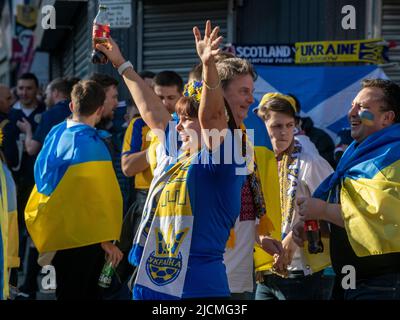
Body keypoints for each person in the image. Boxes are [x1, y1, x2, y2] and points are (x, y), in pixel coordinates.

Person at [95, 20, 280, 300]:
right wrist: (120, 62)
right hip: (153, 281)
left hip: (197, 287)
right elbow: (151, 111)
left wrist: (208, 66)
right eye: (244, 91)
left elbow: (213, 120)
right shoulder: (179, 148)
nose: (251, 100)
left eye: (184, 120)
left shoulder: (227, 151)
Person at [293, 78, 400, 300]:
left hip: (381, 284)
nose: (351, 113)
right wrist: (320, 226)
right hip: (351, 279)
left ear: (387, 118)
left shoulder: (392, 156)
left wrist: (322, 210)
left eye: (362, 108)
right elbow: (353, 218)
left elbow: (378, 218)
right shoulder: (358, 154)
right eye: (352, 105)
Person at [24, 80, 123, 300]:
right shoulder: (92, 145)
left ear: (71, 106)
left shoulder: (56, 133)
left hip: (60, 234)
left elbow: (43, 180)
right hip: (86, 239)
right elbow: (99, 199)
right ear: (99, 109)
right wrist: (106, 240)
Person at [254, 92, 333, 300]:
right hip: (264, 270)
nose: (284, 133)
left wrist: (297, 233)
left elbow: (336, 209)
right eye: (277, 126)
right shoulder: (257, 161)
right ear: (263, 124)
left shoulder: (310, 161)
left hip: (300, 271)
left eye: (289, 125)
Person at [16, 77, 80, 157]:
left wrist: (28, 130)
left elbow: (31, 149)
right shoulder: (79, 110)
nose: (45, 99)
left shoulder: (49, 115)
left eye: (46, 95)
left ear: (55, 93)